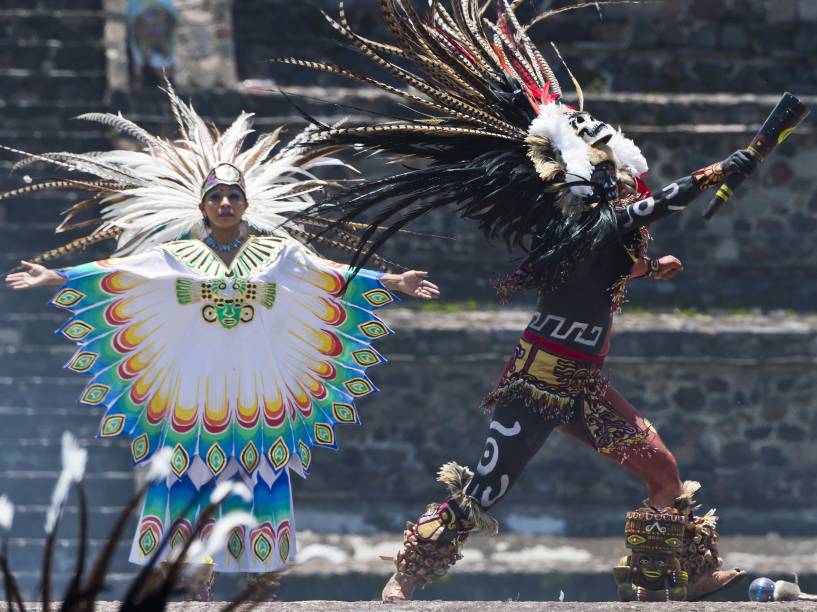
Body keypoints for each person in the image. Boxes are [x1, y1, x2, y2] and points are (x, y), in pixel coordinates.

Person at [283, 0, 758, 601]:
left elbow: (606, 270)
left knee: (664, 473)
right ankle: (406, 572)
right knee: (485, 488)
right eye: (611, 180)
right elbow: (661, 202)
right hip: (535, 383)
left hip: (585, 384)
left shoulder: (600, 237)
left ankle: (675, 580)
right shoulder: (586, 225)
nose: (620, 188)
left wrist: (645, 270)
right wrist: (724, 166)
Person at [3, 86, 439, 591]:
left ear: (246, 203)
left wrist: (391, 282)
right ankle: (192, 578)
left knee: (260, 469)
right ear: (203, 206)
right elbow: (122, 271)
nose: (226, 203)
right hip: (195, 385)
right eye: (216, 197)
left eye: (233, 196)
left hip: (260, 384)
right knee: (188, 471)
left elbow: (331, 275)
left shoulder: (280, 254)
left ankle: (258, 581)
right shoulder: (177, 255)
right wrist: (56, 277)